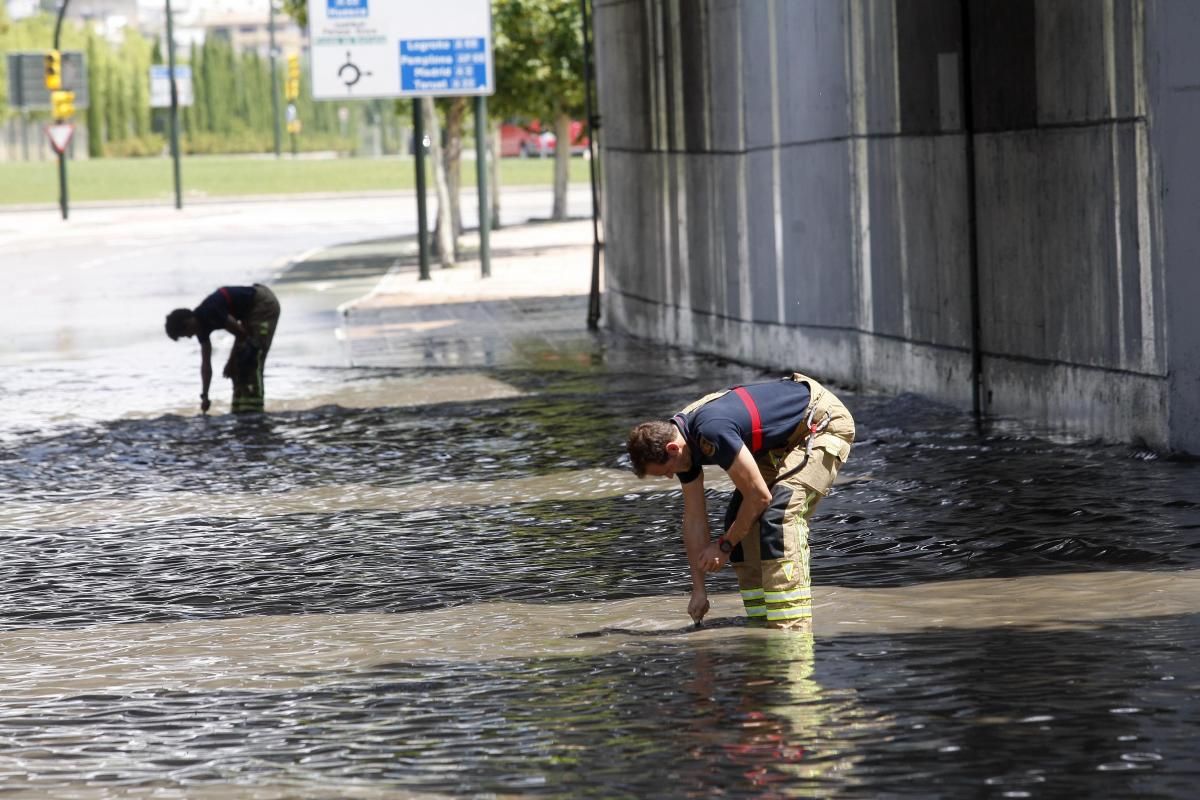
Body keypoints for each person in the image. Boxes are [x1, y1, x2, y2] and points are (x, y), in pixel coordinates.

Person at [626, 373, 854, 629]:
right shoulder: (681, 445)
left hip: (820, 422)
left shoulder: (712, 431)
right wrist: (699, 589)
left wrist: (724, 545)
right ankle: (760, 624)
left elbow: (759, 497)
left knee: (779, 516)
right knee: (739, 521)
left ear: (671, 449)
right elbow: (694, 519)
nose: (670, 476)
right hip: (777, 443)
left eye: (666, 470)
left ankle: (792, 629)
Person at [164, 284, 281, 414]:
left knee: (252, 356)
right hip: (247, 313)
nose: (190, 336)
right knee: (239, 362)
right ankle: (240, 408)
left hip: (262, 303)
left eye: (185, 334)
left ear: (187, 323)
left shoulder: (210, 311)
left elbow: (241, 334)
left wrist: (230, 362)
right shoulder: (201, 328)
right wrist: (205, 396)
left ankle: (255, 410)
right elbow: (206, 365)